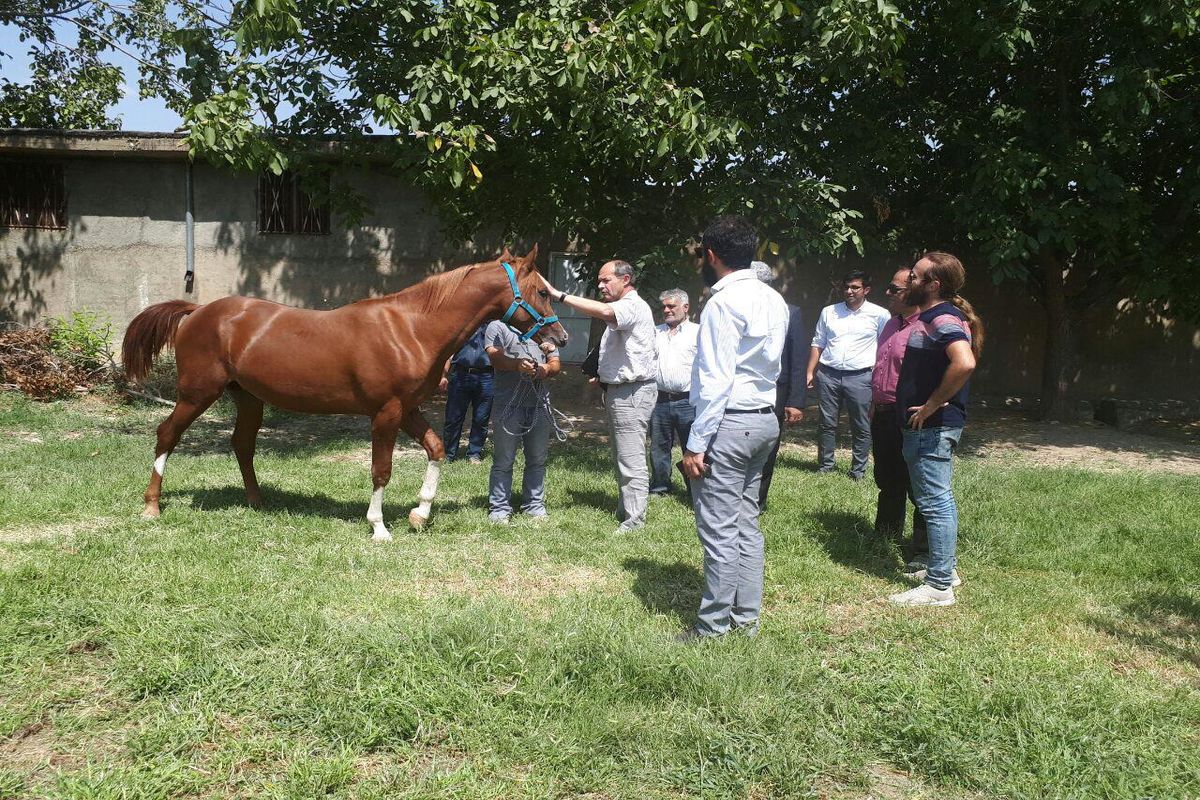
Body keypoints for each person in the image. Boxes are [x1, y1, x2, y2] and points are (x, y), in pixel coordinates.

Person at [678, 217, 789, 642]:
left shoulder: (723, 302)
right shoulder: (772, 298)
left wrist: (696, 443)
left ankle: (712, 627)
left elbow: (716, 379)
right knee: (746, 523)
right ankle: (746, 620)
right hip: (763, 419)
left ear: (711, 255)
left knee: (719, 529)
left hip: (730, 422)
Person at [888, 251, 983, 607]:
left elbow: (964, 362)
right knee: (934, 500)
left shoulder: (943, 317)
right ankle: (945, 568)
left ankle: (940, 585)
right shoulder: (933, 316)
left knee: (936, 502)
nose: (907, 281)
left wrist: (931, 404)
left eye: (914, 276)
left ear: (933, 284)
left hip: (934, 427)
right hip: (927, 427)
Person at [539, 260, 657, 532]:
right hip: (620, 390)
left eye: (606, 281)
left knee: (631, 457)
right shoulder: (626, 307)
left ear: (625, 279)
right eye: (599, 281)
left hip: (632, 392)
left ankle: (635, 521)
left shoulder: (631, 305)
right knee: (622, 455)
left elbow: (604, 311)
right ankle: (627, 509)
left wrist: (559, 295)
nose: (601, 286)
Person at [805, 271, 891, 479]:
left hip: (861, 377)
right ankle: (826, 466)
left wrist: (879, 378)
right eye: (846, 287)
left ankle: (858, 471)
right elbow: (818, 342)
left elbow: (885, 350)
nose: (849, 291)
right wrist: (810, 371)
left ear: (866, 290)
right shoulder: (829, 312)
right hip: (829, 374)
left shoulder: (880, 314)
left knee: (860, 424)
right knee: (826, 423)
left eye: (855, 287)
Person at [871, 267, 928, 566]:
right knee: (887, 477)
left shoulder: (926, 328)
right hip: (882, 413)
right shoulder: (891, 324)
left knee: (918, 484)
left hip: (909, 415)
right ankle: (886, 534)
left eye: (895, 289)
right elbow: (882, 367)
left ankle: (922, 550)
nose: (888, 293)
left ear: (914, 292)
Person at [482, 320, 562, 523]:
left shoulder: (543, 327)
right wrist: (517, 365)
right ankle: (499, 509)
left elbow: (555, 363)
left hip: (539, 405)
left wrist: (544, 369)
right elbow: (495, 358)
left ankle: (534, 506)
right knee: (503, 460)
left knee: (537, 460)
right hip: (508, 405)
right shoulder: (498, 326)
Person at [752, 261, 805, 509]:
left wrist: (795, 401)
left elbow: (797, 360)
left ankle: (757, 500)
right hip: (742, 388)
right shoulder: (739, 311)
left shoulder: (789, 312)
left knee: (768, 446)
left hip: (776, 390)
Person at [650, 288, 699, 498]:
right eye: (664, 307)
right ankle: (660, 488)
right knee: (659, 447)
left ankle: (695, 489)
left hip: (688, 401)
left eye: (672, 306)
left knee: (693, 447)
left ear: (685, 307)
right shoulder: (654, 332)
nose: (667, 310)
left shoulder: (699, 332)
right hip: (659, 399)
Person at [439, 324, 494, 463]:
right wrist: (444, 375)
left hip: (486, 376)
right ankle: (448, 454)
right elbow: (449, 353)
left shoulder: (494, 327)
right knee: (453, 418)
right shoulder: (463, 325)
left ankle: (474, 454)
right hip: (460, 374)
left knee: (481, 418)